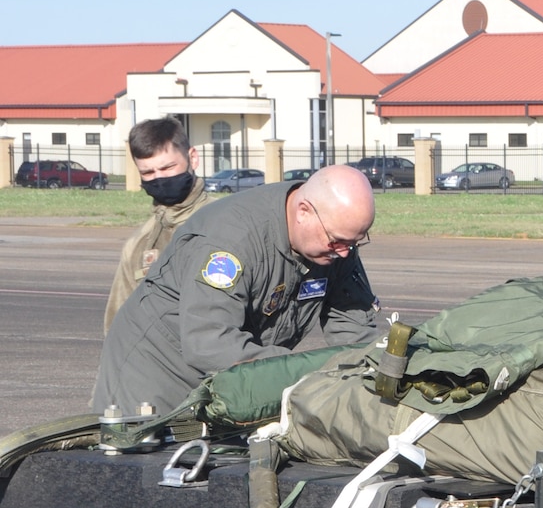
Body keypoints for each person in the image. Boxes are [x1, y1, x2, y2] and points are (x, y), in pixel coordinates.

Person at [92, 165, 383, 416]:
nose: (345, 253)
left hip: (229, 385)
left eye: (355, 242)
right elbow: (209, 342)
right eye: (337, 241)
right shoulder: (231, 240)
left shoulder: (336, 244)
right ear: (303, 212)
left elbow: (357, 334)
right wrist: (303, 375)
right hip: (153, 380)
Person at [104, 118, 215, 333]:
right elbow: (119, 325)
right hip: (160, 363)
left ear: (192, 158)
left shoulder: (228, 220)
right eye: (148, 173)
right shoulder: (139, 245)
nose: (159, 178)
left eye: (168, 167)